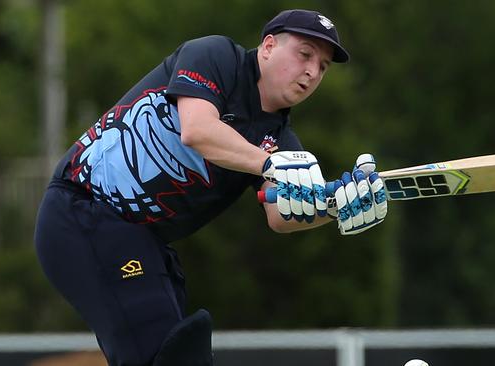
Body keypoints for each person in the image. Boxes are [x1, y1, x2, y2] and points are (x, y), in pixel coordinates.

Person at [34, 9, 387, 366]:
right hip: (81, 211)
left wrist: (335, 206)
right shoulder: (217, 56)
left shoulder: (279, 139)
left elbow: (282, 214)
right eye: (305, 54)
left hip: (139, 239)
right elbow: (198, 129)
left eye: (323, 67)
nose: (312, 72)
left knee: (181, 353)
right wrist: (269, 164)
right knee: (166, 353)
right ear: (267, 47)